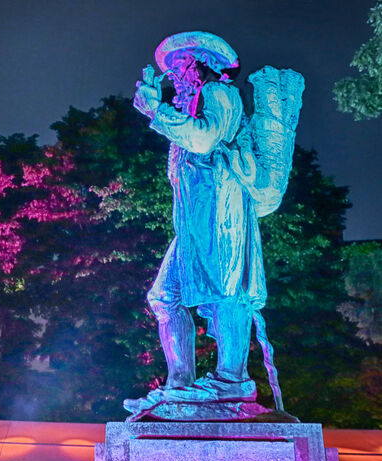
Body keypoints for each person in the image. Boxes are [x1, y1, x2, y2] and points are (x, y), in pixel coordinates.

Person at [126, 31, 296, 415]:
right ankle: (179, 385)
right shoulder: (189, 110)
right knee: (163, 296)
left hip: (224, 210)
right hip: (195, 219)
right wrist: (163, 113)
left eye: (179, 66)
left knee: (226, 290)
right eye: (172, 69)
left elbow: (203, 141)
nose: (173, 75)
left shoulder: (221, 95)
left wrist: (157, 111)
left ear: (202, 64)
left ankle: (231, 381)